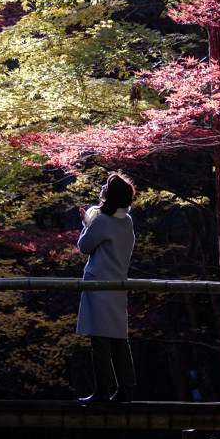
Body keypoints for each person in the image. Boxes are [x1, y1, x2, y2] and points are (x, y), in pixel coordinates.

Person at [76, 172, 137, 404]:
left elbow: (84, 246)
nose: (102, 187)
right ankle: (126, 389)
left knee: (100, 339)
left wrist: (86, 224)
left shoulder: (102, 221)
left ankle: (102, 389)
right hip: (118, 284)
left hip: (98, 283)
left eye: (106, 186)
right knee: (119, 338)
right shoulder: (127, 221)